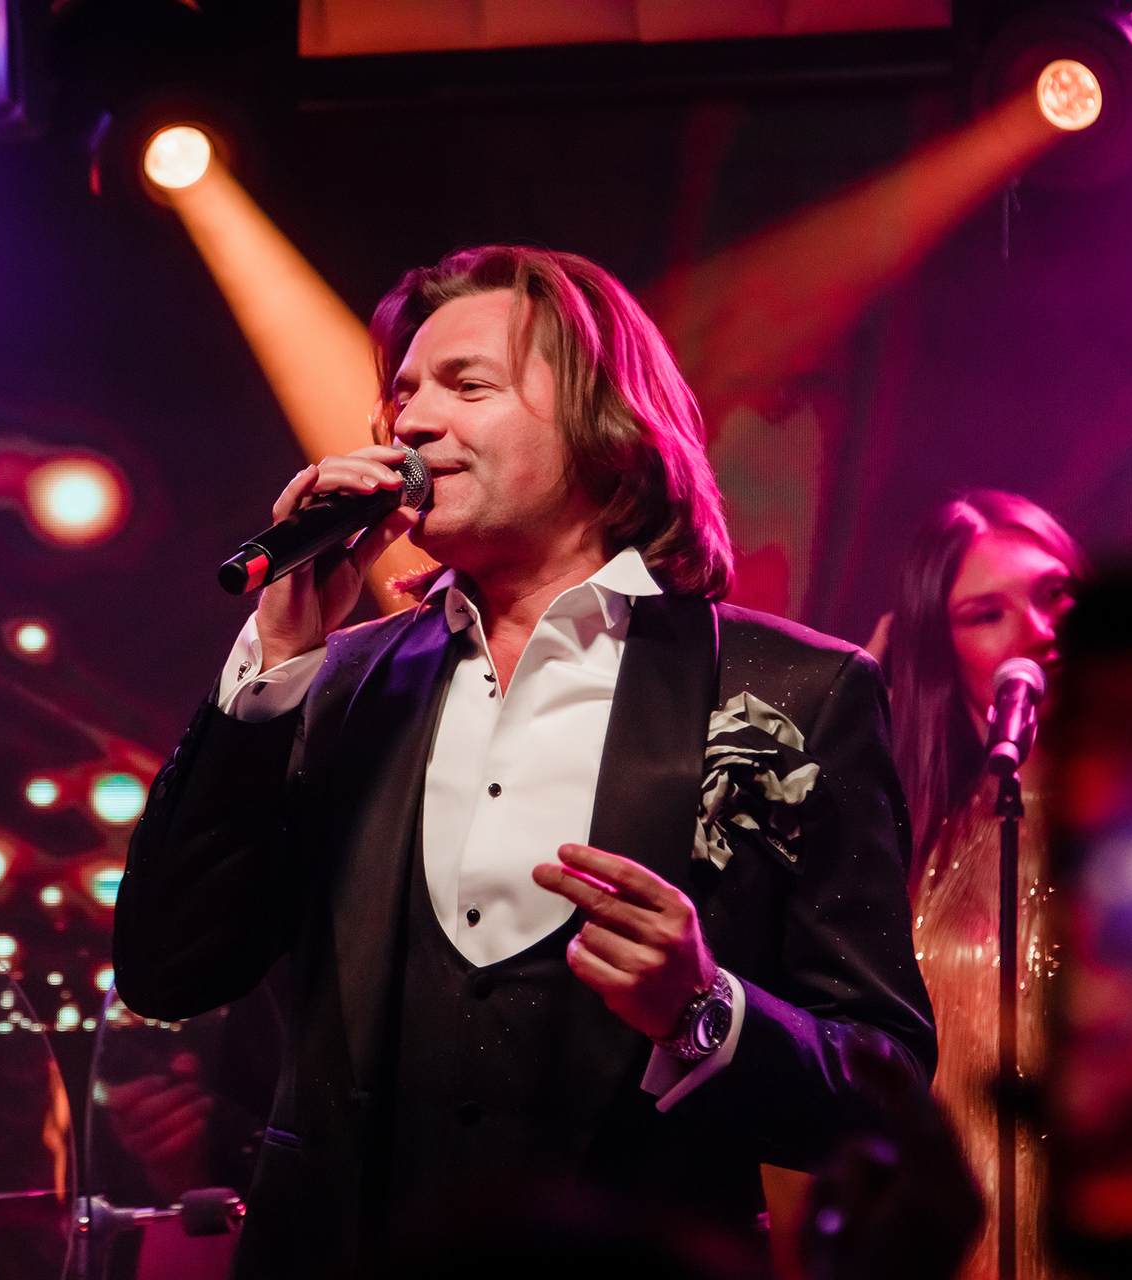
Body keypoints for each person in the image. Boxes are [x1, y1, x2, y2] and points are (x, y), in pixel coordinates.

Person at [112, 245, 935, 1279]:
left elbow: (886, 1090)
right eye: (402, 392)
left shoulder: (795, 691)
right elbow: (168, 967)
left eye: (468, 386)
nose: (410, 422)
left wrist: (703, 1012)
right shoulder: (334, 683)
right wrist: (273, 666)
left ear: (605, 423)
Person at [872, 490, 1086, 1280]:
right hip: (957, 1245)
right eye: (986, 614)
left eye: (1055, 594)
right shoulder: (909, 829)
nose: (1039, 630)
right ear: (940, 648)